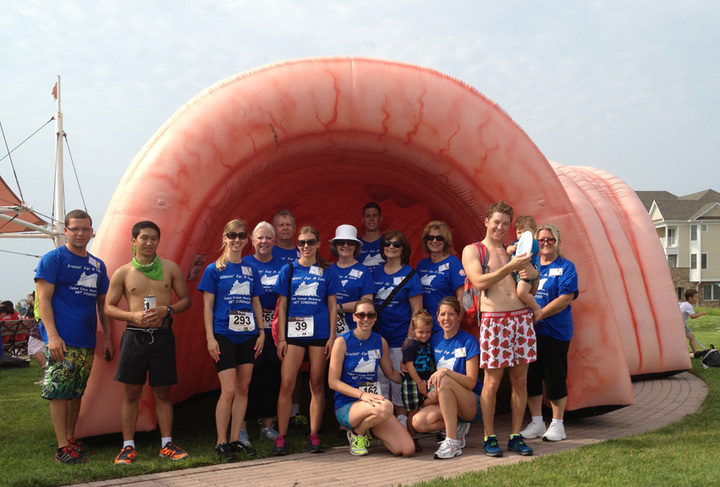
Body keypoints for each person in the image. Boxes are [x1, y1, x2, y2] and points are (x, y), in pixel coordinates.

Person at [105, 220, 191, 465]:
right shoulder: (123, 272)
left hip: (162, 336)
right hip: (134, 336)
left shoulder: (170, 268)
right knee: (131, 392)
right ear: (134, 241)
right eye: (144, 238)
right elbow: (108, 308)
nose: (149, 242)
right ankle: (127, 446)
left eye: (154, 238)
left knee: (162, 392)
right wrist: (131, 315)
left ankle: (167, 443)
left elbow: (186, 300)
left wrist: (168, 309)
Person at [34, 209, 113, 464]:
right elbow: (43, 299)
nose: (80, 233)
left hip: (86, 339)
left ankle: (70, 439)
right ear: (65, 231)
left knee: (76, 391)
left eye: (85, 229)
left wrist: (108, 338)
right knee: (59, 392)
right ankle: (60, 448)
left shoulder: (98, 265)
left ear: (92, 232)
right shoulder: (53, 259)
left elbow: (103, 306)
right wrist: (53, 336)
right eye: (75, 229)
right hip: (62, 340)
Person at [461, 200, 537, 458]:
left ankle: (516, 435)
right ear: (486, 221)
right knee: (491, 383)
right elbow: (479, 281)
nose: (501, 228)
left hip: (521, 318)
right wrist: (510, 267)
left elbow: (529, 289)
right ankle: (489, 435)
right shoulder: (474, 250)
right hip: (494, 320)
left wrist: (529, 274)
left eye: (506, 224)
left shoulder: (513, 251)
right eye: (496, 222)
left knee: (520, 381)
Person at [198, 219, 265, 461]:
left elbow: (255, 302)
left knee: (243, 388)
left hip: (248, 336)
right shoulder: (214, 269)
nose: (237, 240)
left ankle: (236, 438)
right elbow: (207, 306)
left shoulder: (250, 269)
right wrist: (210, 338)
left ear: (247, 240)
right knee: (227, 390)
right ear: (225, 238)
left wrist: (262, 331)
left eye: (241, 236)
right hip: (223, 335)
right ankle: (221, 441)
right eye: (232, 236)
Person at [272, 226, 340, 455]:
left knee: (316, 383)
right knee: (286, 383)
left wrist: (332, 336)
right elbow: (281, 305)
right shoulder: (288, 269)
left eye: (310, 242)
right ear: (297, 245)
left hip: (319, 333)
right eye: (301, 242)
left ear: (318, 243)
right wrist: (281, 338)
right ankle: (281, 436)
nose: (306, 246)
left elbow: (332, 305)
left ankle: (314, 434)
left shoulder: (327, 271)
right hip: (293, 334)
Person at [328, 297, 415, 457]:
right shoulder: (342, 342)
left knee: (407, 449)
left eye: (370, 315)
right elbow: (332, 382)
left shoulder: (380, 341)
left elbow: (391, 374)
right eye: (361, 315)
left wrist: (416, 378)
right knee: (386, 407)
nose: (366, 319)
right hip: (348, 406)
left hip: (374, 405)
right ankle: (357, 433)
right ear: (354, 317)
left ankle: (368, 427)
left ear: (375, 317)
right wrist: (362, 395)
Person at [519, 224, 579, 442]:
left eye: (550, 239)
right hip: (530, 332)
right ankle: (536, 422)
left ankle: (557, 424)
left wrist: (540, 313)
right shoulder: (529, 266)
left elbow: (565, 298)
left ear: (557, 241)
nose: (545, 243)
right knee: (532, 378)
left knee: (554, 377)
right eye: (541, 240)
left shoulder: (566, 267)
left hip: (555, 332)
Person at [411, 297, 483, 459]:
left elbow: (471, 382)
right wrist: (406, 365)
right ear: (437, 317)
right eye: (442, 314)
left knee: (443, 379)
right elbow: (418, 356)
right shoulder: (434, 339)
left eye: (451, 314)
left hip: (471, 402)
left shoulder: (468, 341)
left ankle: (452, 441)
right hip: (444, 398)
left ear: (458, 317)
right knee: (418, 422)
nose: (446, 318)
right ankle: (457, 427)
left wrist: (446, 372)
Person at [372, 229, 423, 424]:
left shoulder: (410, 274)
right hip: (379, 338)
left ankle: (401, 421)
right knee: (381, 382)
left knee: (399, 382)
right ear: (382, 249)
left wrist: (409, 338)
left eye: (396, 244)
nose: (391, 247)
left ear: (403, 249)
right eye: (387, 244)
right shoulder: (375, 272)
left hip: (400, 337)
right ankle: (383, 421)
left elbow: (417, 310)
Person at [244, 222, 284, 442]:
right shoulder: (244, 264)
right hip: (249, 331)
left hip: (275, 332)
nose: (264, 242)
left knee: (272, 379)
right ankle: (242, 426)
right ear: (252, 240)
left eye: (269, 238)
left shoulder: (283, 266)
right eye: (260, 238)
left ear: (274, 241)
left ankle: (267, 426)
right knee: (248, 380)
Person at [415, 221, 466, 332]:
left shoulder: (453, 263)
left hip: (445, 327)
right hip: (425, 329)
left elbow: (462, 298)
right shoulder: (422, 265)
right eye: (431, 237)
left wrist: (456, 325)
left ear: (446, 240)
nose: (434, 241)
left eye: (439, 238)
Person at [328, 224, 375, 334]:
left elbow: (367, 303)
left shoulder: (364, 271)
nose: (345, 245)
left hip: (354, 330)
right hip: (328, 329)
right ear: (335, 245)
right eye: (341, 242)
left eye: (350, 242)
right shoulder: (328, 270)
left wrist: (339, 307)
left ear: (355, 246)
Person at [400, 310, 437, 451]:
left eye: (428, 332)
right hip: (412, 382)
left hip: (427, 379)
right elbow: (409, 366)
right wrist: (419, 383)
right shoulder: (411, 346)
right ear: (414, 330)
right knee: (412, 410)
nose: (425, 335)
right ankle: (412, 437)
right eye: (421, 332)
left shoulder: (428, 343)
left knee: (431, 400)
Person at [506, 215, 542, 323]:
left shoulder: (533, 243)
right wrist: (512, 248)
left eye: (525, 232)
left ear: (533, 231)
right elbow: (508, 250)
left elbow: (526, 255)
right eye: (519, 232)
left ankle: (536, 308)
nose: (522, 235)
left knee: (522, 292)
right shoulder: (517, 243)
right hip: (518, 272)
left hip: (526, 270)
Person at [358, 202, 384, 271]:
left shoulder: (388, 242)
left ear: (380, 218)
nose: (371, 219)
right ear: (363, 219)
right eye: (367, 216)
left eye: (375, 216)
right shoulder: (355, 244)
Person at [680, 289, 706, 355]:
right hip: (678, 326)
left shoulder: (683, 304)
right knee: (683, 339)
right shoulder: (688, 305)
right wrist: (702, 313)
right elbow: (692, 316)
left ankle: (696, 353)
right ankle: (682, 354)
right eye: (696, 297)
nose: (697, 299)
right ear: (690, 298)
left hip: (681, 324)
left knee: (691, 336)